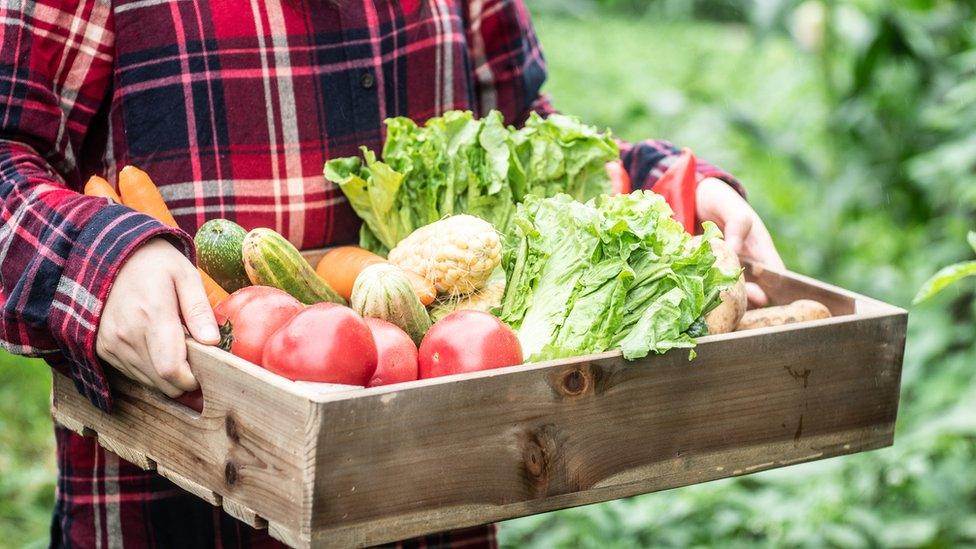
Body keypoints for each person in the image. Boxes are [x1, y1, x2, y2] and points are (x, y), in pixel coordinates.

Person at [0, 0, 783, 547]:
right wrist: (99, 262)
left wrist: (667, 187)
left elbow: (516, 147)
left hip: (434, 509)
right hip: (176, 518)